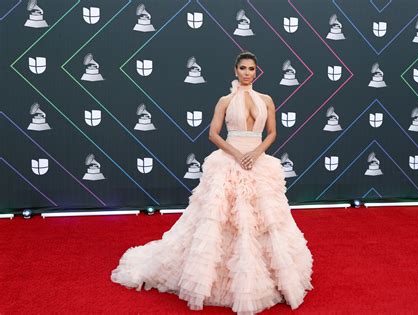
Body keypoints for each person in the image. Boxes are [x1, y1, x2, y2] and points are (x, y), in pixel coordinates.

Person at [111, 51, 314, 315]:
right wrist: (238, 154)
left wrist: (256, 153)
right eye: (242, 68)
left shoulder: (267, 99)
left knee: (264, 221)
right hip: (230, 161)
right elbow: (213, 134)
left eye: (251, 68)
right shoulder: (225, 101)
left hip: (258, 161)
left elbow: (273, 132)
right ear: (235, 71)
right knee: (225, 220)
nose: (247, 73)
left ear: (257, 71)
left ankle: (271, 280)